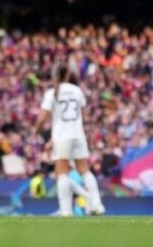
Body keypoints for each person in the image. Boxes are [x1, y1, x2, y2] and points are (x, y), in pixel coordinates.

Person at [34, 67, 105, 217]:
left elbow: (42, 118)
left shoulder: (52, 93)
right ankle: (97, 205)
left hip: (61, 138)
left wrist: (36, 131)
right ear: (67, 74)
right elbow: (84, 116)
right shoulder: (77, 91)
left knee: (62, 174)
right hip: (78, 135)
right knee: (85, 171)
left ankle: (66, 210)